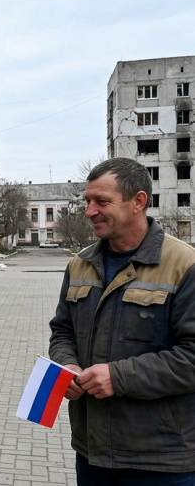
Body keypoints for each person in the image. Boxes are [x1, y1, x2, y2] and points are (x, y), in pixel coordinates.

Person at [49, 157, 195, 484]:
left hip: (162, 460)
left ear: (138, 202)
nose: (90, 211)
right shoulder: (79, 265)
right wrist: (67, 366)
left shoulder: (185, 266)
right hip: (92, 453)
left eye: (102, 201)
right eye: (87, 201)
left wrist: (118, 377)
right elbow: (62, 332)